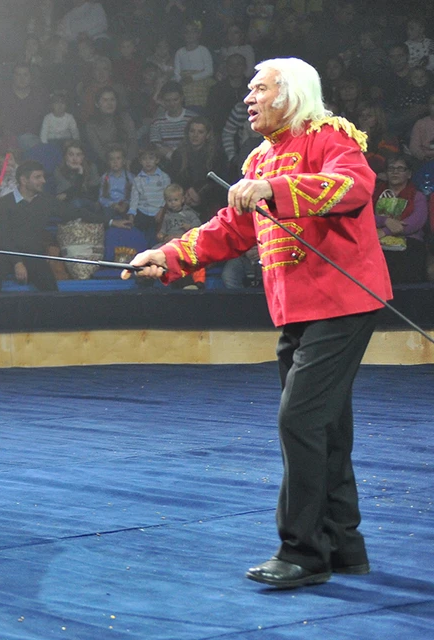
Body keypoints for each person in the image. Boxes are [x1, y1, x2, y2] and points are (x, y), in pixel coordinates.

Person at [123, 58, 392, 589]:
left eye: (260, 88)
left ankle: (303, 552)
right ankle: (343, 546)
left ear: (291, 94)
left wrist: (277, 189)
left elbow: (354, 187)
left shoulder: (328, 135)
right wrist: (168, 255)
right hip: (299, 309)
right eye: (248, 89)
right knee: (326, 426)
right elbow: (230, 229)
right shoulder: (261, 157)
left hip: (341, 300)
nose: (248, 98)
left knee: (300, 421)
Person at [0, 160, 64, 294]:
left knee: (51, 288)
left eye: (43, 177)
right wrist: (17, 262)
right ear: (24, 180)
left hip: (32, 254)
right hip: (5, 254)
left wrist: (109, 221)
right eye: (37, 177)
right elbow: (2, 237)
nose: (43, 181)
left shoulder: (45, 201)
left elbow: (73, 212)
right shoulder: (3, 203)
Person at [372, 155, 428, 284]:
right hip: (376, 239)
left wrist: (385, 231)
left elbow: (416, 222)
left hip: (409, 240)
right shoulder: (375, 194)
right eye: (391, 168)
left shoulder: (417, 195)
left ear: (408, 174)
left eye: (400, 168)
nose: (395, 172)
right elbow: (365, 216)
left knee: (409, 260)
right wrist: (384, 220)